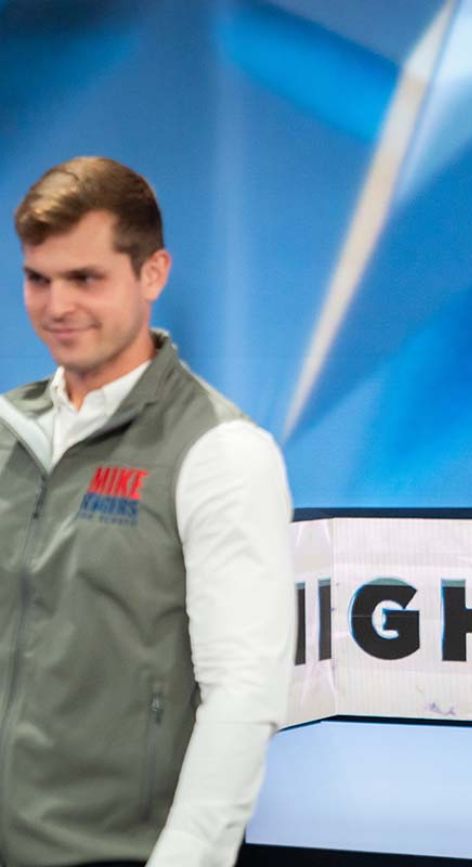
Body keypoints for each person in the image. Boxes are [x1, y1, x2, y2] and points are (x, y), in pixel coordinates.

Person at [0, 156, 294, 867]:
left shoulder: (224, 451)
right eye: (39, 278)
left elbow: (243, 696)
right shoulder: (10, 426)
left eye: (86, 278)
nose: (56, 304)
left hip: (117, 850)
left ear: (152, 274)